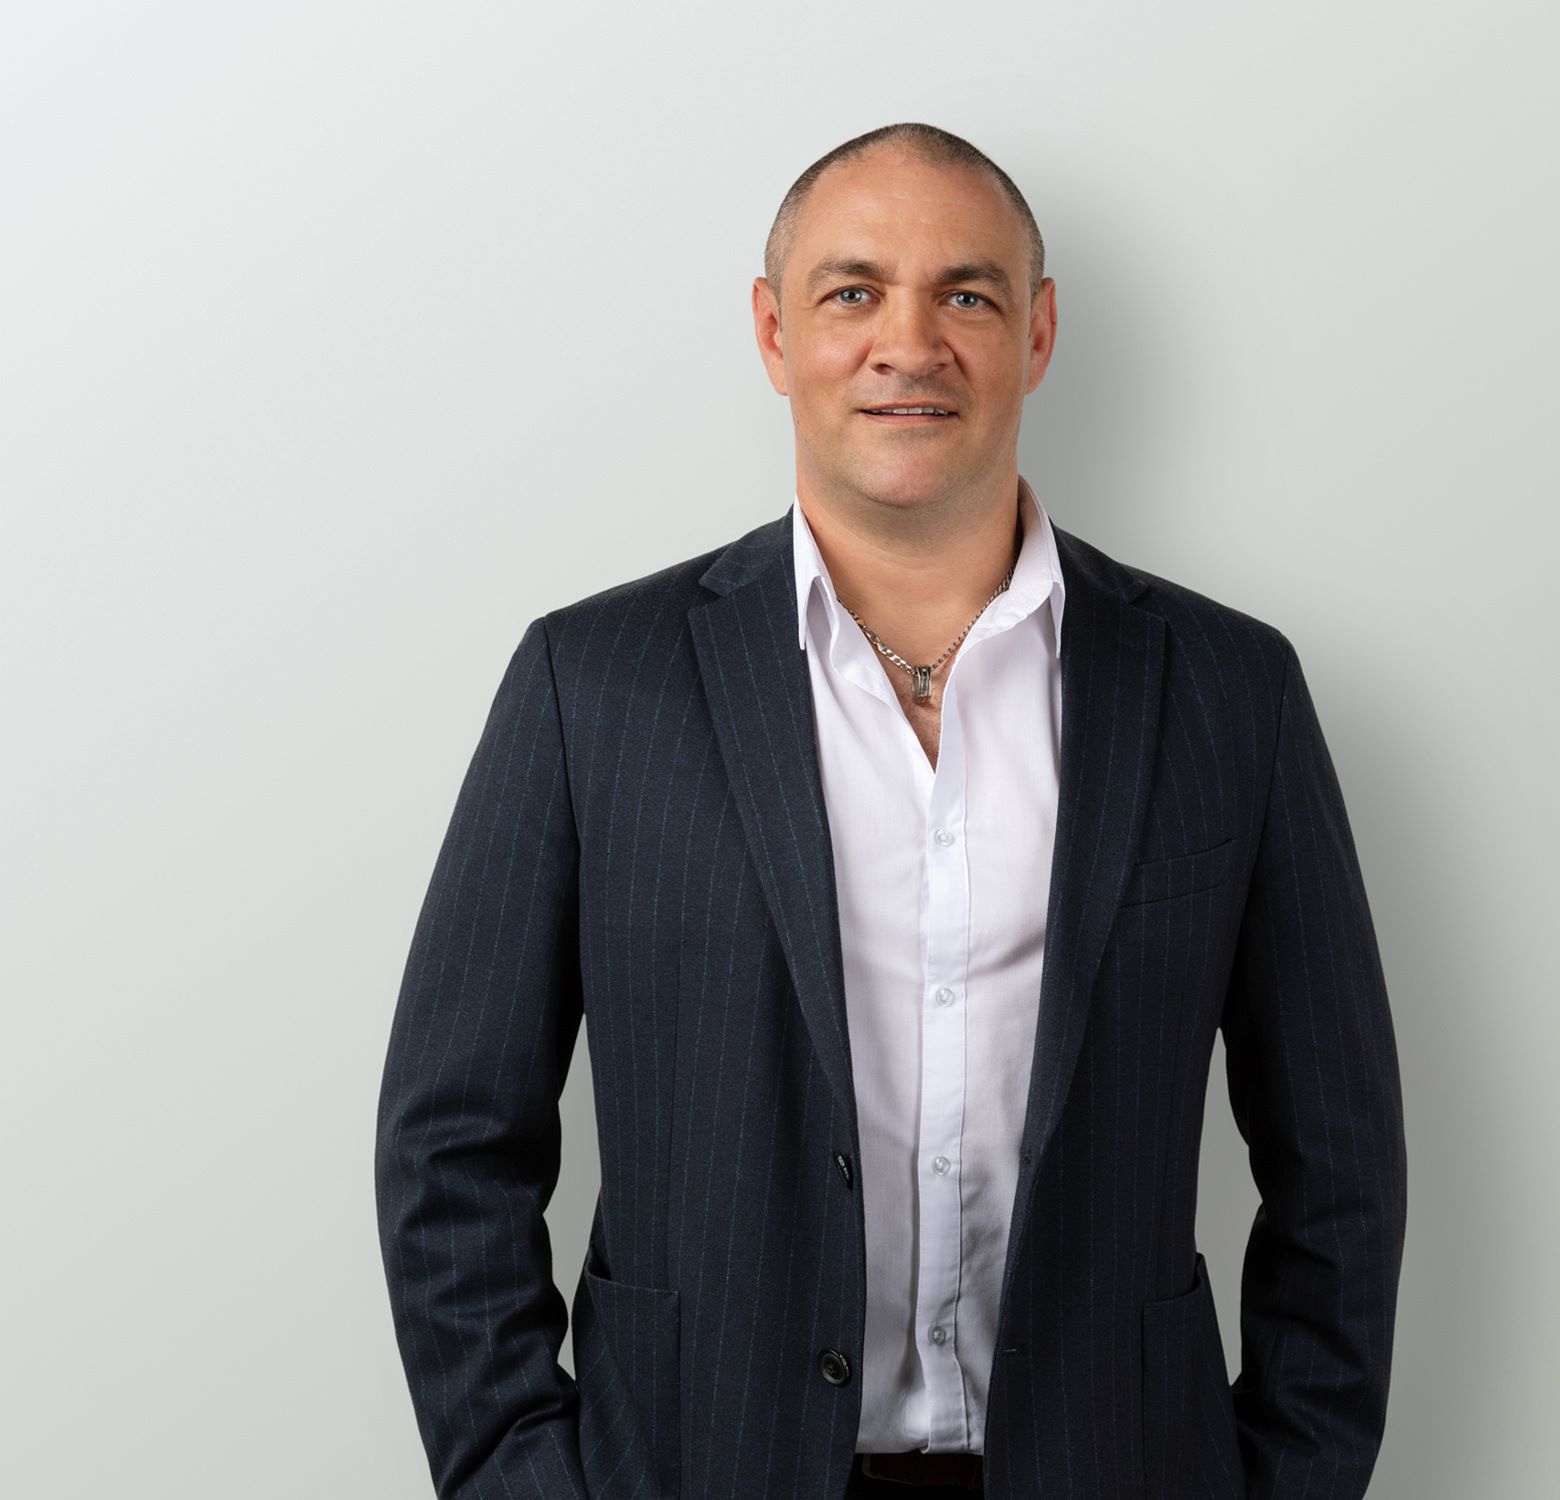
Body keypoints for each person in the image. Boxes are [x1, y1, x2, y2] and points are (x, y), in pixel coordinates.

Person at [374, 122, 1408, 1500]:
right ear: (774, 331)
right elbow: (450, 1145)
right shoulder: (592, 685)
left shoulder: (1229, 691)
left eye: (965, 294)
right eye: (852, 291)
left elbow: (1340, 1166)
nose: (907, 345)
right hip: (693, 1468)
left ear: (1037, 333)